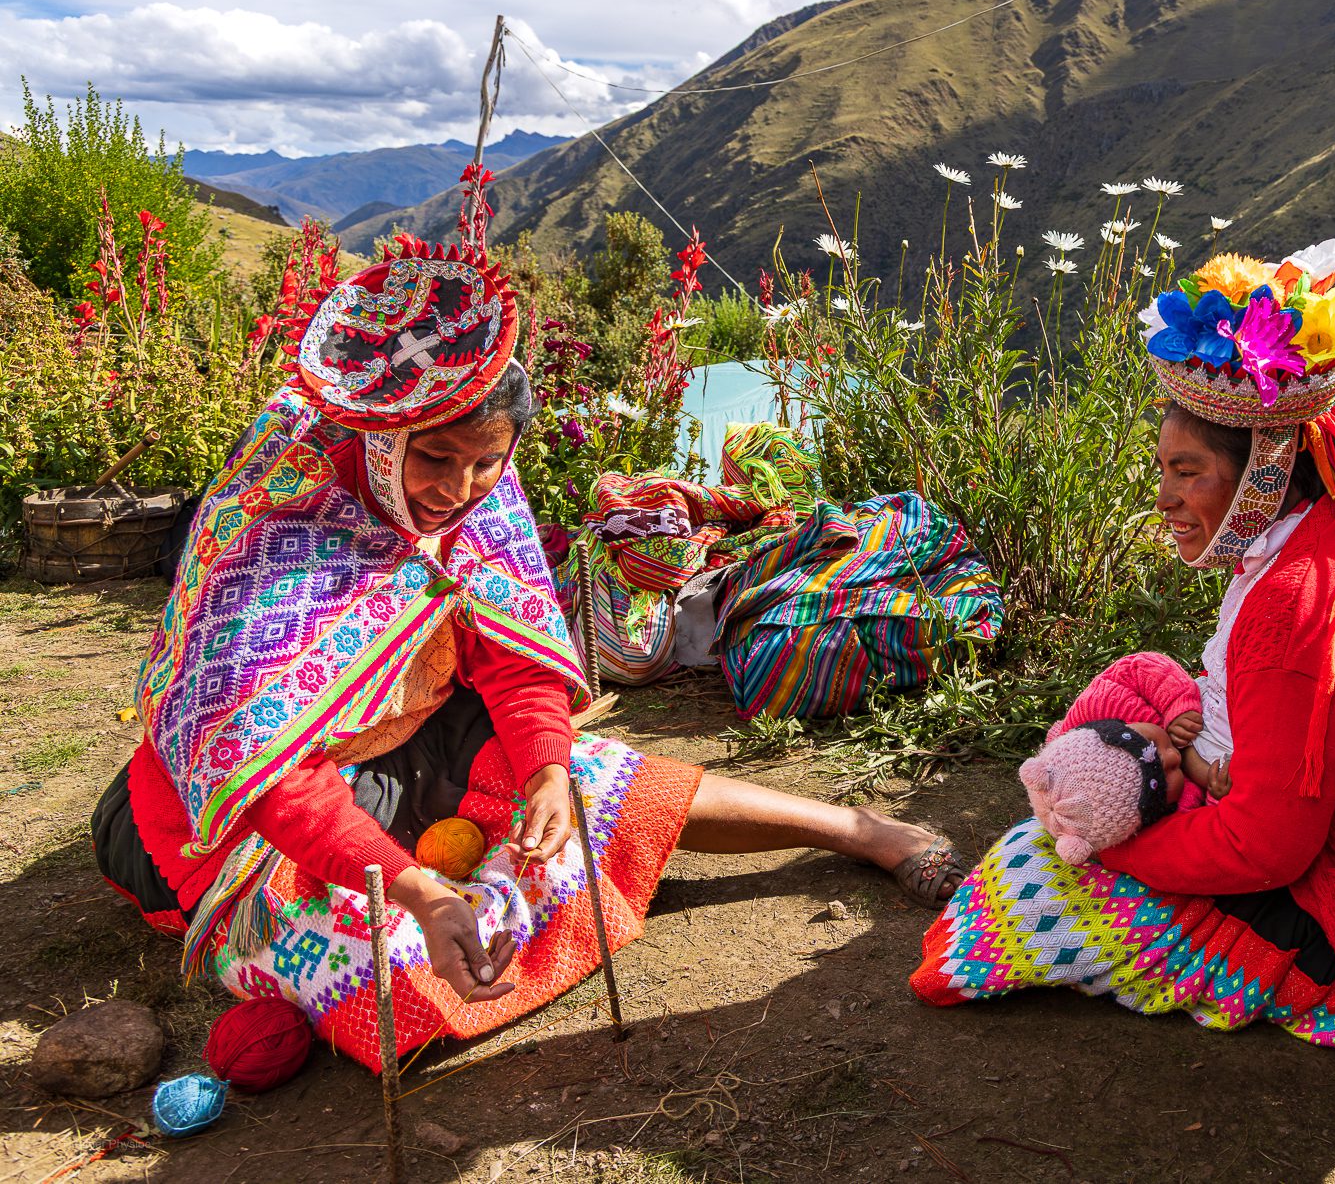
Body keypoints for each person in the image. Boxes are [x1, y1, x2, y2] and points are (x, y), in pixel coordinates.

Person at [92, 241, 963, 1071]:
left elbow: (513, 655)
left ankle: (867, 833)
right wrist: (416, 890)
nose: (458, 491)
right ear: (381, 440)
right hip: (252, 804)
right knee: (390, 982)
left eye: (486, 464)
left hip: (418, 730)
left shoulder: (477, 488)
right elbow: (275, 772)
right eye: (435, 459)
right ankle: (423, 901)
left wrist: (546, 769)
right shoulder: (281, 524)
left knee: (590, 785)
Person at [913, 247, 1335, 1045]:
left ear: (1264, 471)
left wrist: (1123, 850)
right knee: (1135, 691)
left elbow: (1266, 846)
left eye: (1188, 472)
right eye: (1164, 470)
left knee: (1020, 880)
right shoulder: (1332, 537)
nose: (1165, 498)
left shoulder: (1295, 609)